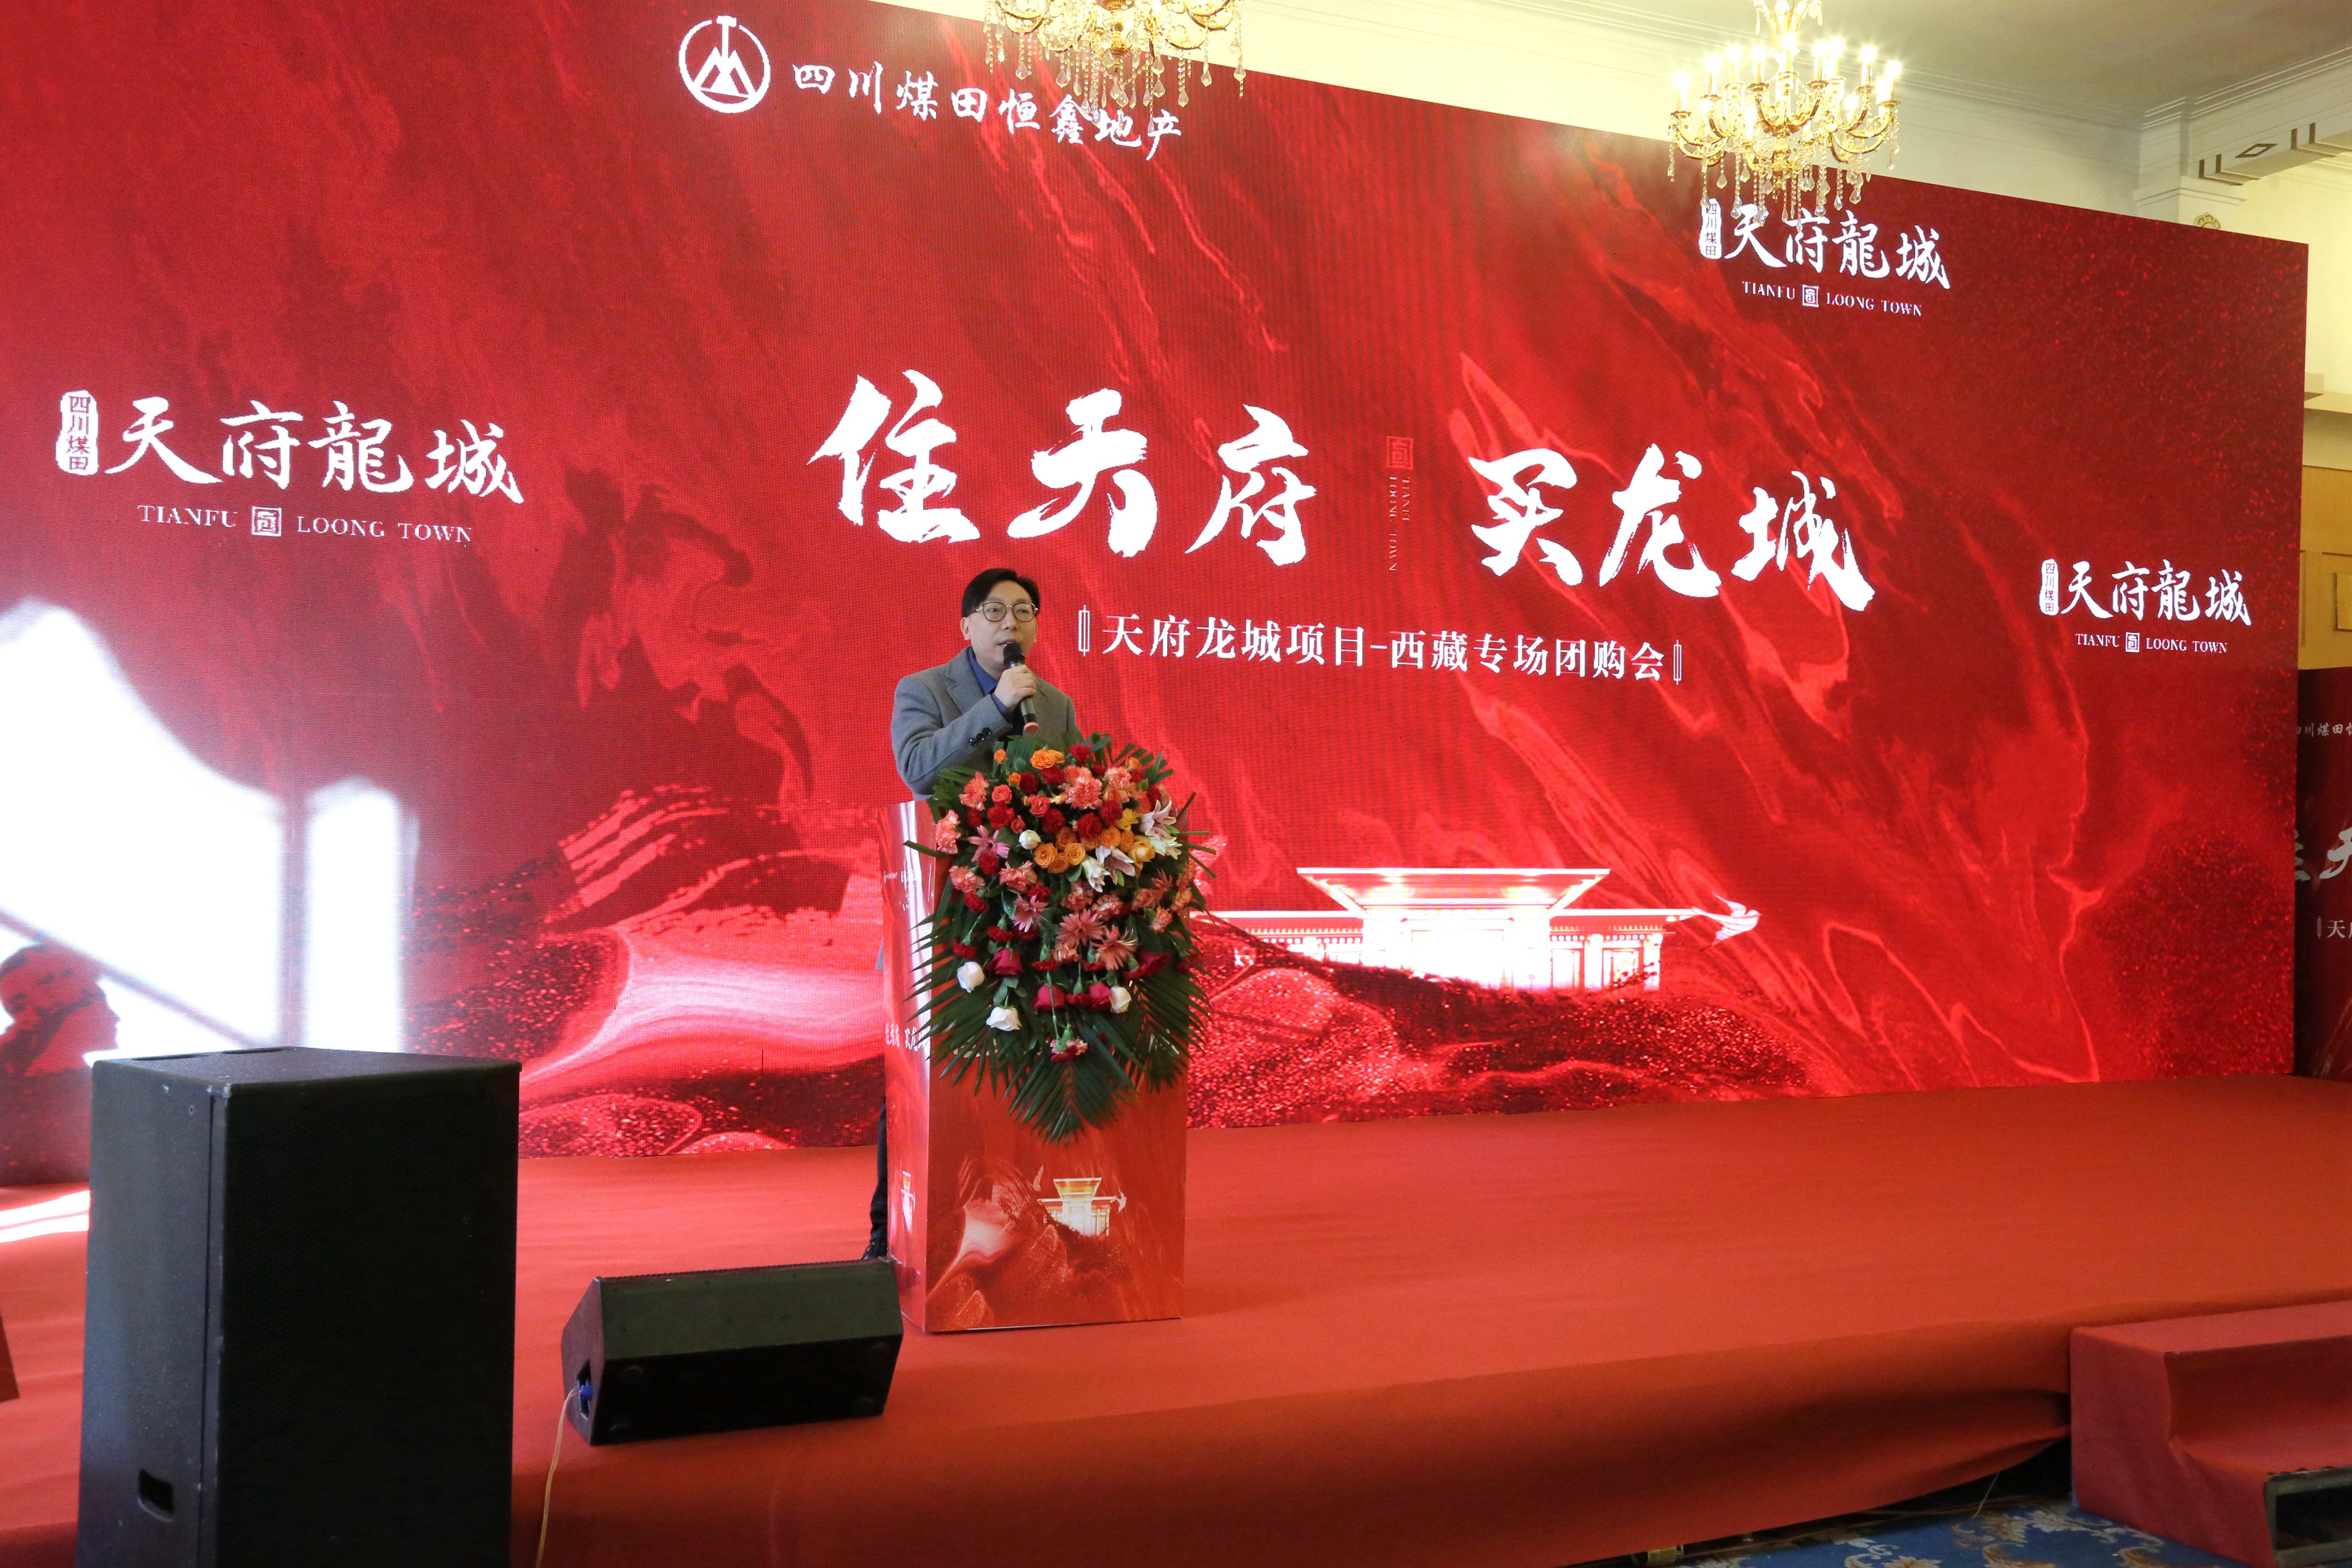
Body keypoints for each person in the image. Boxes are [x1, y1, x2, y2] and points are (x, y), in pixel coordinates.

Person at [869, 568, 1078, 1258]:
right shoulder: (924, 689)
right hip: (945, 918)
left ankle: (1018, 1237)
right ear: (966, 625)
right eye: (994, 611)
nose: (1010, 622)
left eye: (1024, 611)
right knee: (922, 1084)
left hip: (1027, 921)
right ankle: (890, 1235)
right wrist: (996, 708)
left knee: (1018, 1076)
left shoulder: (1057, 705)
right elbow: (917, 769)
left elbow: (1071, 793)